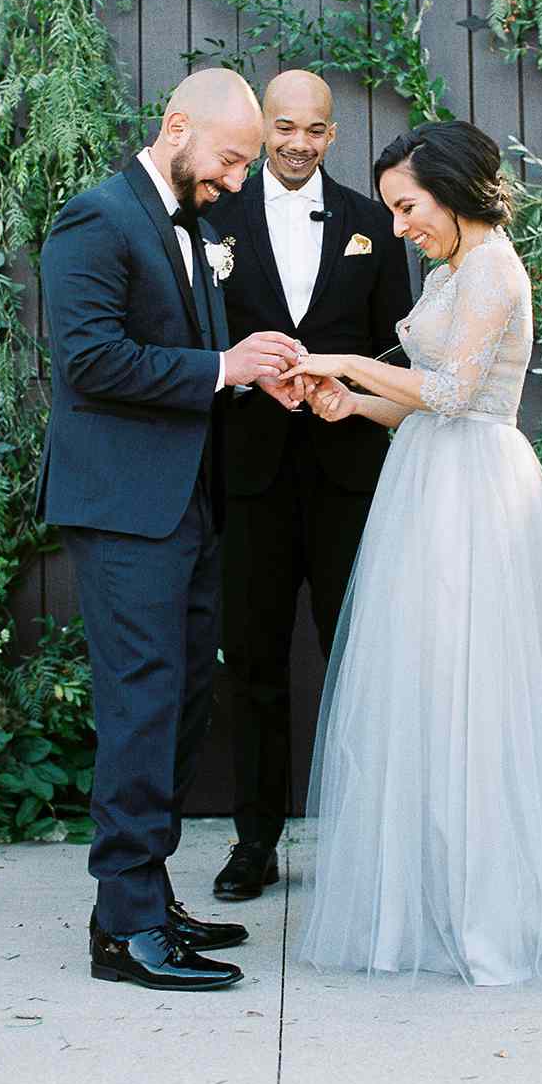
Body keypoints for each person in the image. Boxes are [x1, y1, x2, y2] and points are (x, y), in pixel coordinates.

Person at [283, 119, 542, 988]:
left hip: (478, 495)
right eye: (390, 210)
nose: (399, 227)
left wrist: (343, 356)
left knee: (477, 692)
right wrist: (351, 402)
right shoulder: (455, 268)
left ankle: (492, 911)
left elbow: (460, 392)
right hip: (426, 482)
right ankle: (433, 903)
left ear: (454, 188)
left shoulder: (496, 266)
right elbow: (422, 405)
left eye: (407, 206)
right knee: (424, 686)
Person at [37, 69, 305, 992]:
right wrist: (221, 364)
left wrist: (244, 375)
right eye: (232, 158)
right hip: (123, 508)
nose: (235, 180)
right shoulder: (96, 219)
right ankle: (123, 927)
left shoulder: (191, 226)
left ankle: (147, 894)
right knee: (143, 704)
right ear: (178, 124)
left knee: (186, 699)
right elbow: (89, 358)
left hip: (187, 503)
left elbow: (190, 360)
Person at [207, 70, 413, 901]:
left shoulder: (373, 223)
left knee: (359, 659)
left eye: (315, 130)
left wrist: (346, 396)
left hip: (347, 475)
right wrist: (248, 381)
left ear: (333, 136)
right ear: (265, 130)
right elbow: (197, 335)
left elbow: (398, 347)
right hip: (248, 475)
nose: (298, 144)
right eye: (283, 128)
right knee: (253, 660)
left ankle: (368, 847)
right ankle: (255, 842)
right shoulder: (212, 218)